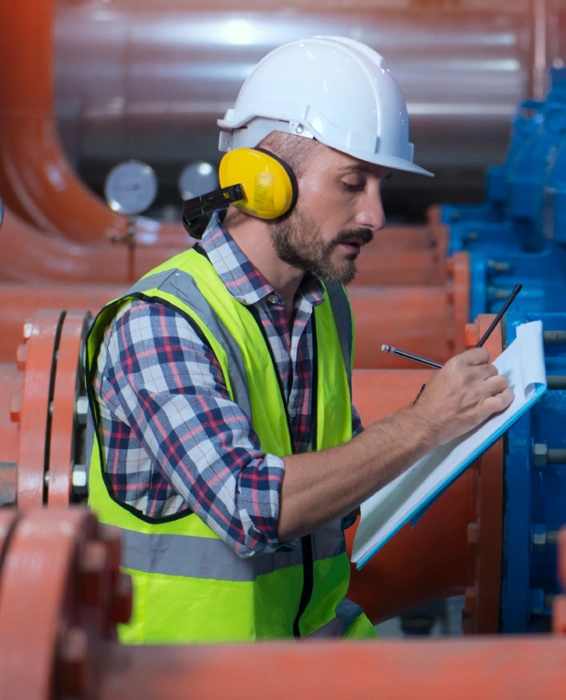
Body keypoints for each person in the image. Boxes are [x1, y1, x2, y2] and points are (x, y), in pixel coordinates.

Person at [82, 36, 514, 644]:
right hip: (188, 679)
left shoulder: (322, 305)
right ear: (263, 182)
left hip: (305, 659)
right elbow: (250, 506)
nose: (377, 215)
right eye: (352, 183)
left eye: (381, 185)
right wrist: (424, 423)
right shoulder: (161, 323)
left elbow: (341, 472)